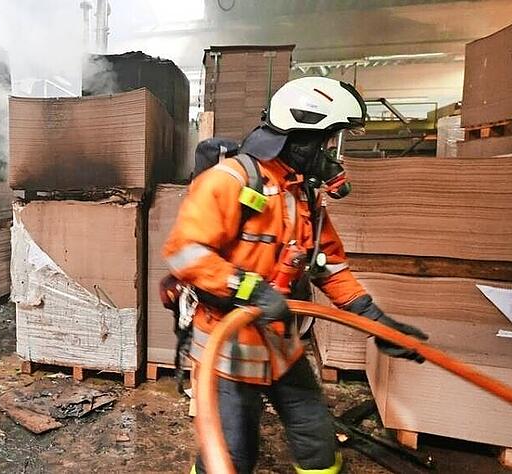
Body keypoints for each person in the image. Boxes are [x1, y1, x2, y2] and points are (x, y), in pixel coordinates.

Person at [163, 77, 429, 474]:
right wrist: (249, 289)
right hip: (228, 348)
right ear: (298, 137)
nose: (329, 155)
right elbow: (186, 252)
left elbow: (329, 266)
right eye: (325, 142)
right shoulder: (229, 181)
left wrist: (377, 323)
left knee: (317, 442)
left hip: (281, 343)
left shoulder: (301, 193)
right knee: (231, 454)